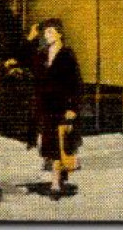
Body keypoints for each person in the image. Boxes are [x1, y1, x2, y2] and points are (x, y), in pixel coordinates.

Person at [32, 18, 83, 198]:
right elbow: (37, 81)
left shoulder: (67, 55)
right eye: (45, 33)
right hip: (45, 106)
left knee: (58, 143)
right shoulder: (42, 55)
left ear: (60, 33)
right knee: (48, 143)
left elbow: (76, 84)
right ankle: (57, 177)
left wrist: (73, 108)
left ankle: (55, 182)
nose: (47, 36)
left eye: (50, 32)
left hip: (62, 106)